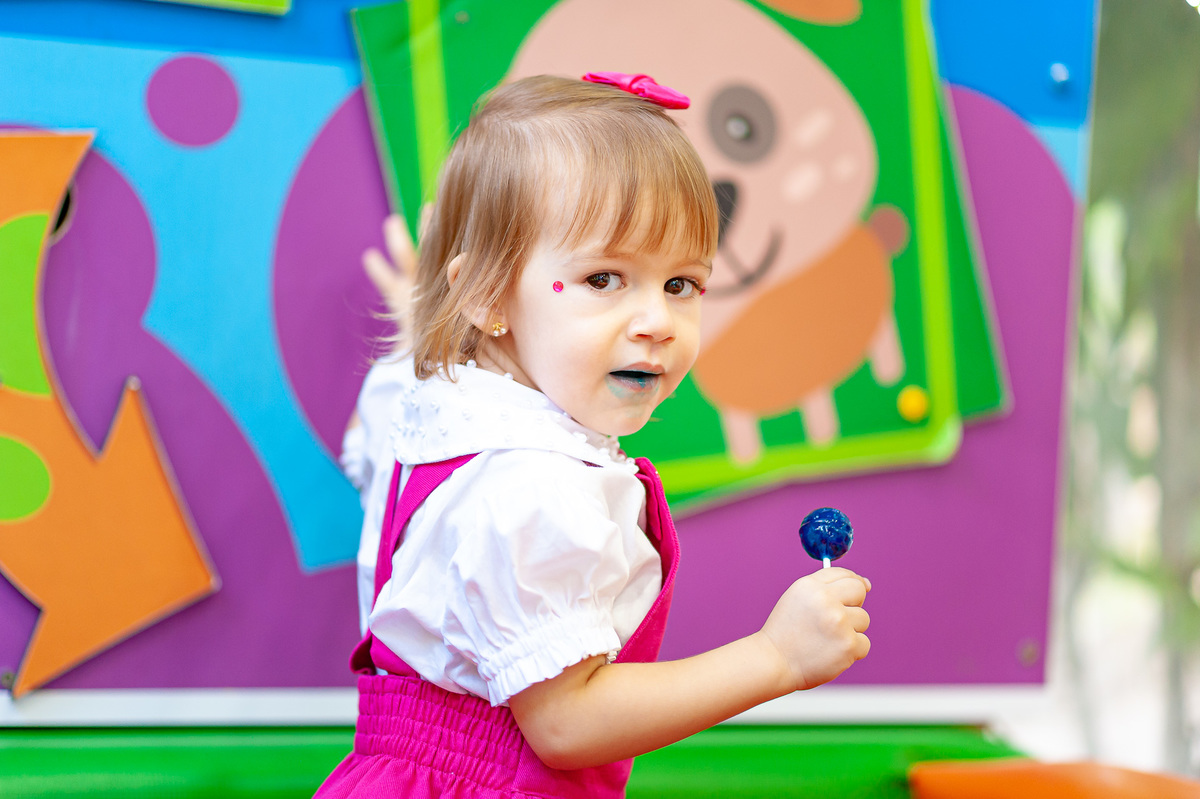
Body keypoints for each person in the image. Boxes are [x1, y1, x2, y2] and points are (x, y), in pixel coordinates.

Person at [317, 73, 871, 799]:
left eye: (680, 284)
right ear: (484, 293)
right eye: (605, 279)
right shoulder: (531, 485)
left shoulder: (439, 414)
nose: (657, 322)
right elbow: (566, 723)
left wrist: (424, 317)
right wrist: (776, 657)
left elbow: (375, 428)